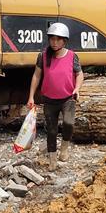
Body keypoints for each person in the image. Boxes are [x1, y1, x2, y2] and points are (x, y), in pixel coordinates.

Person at [27, 22, 84, 170]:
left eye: (58, 39)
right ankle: (52, 159)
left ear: (64, 41)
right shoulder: (43, 56)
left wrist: (77, 88)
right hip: (50, 100)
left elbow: (79, 74)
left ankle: (64, 147)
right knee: (51, 131)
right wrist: (31, 96)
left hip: (67, 98)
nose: (54, 42)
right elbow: (36, 76)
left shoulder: (72, 56)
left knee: (68, 123)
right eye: (52, 39)